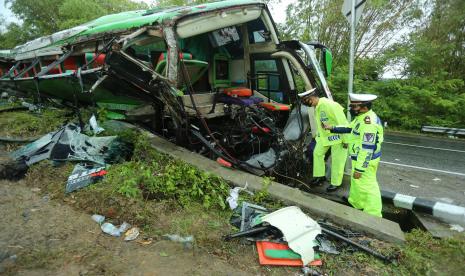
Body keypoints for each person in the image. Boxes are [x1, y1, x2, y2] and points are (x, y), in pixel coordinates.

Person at [324, 93, 384, 217]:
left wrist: (360, 168)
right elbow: (349, 127)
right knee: (357, 183)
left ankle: (374, 215)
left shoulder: (369, 124)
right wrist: (333, 127)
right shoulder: (361, 117)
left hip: (366, 161)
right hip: (359, 158)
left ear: (364, 107)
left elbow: (367, 148)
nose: (351, 109)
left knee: (368, 187)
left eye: (354, 106)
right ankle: (356, 203)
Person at [298, 88, 348, 192]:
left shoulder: (330, 105)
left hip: (338, 137)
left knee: (337, 161)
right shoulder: (317, 106)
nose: (306, 104)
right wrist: (317, 137)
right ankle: (319, 176)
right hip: (324, 137)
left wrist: (346, 140)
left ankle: (335, 183)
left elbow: (343, 123)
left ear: (311, 98)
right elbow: (321, 124)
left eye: (306, 101)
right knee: (317, 153)